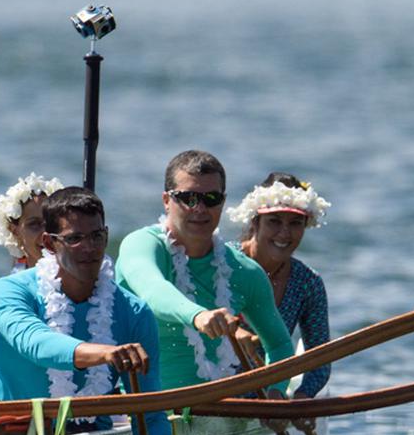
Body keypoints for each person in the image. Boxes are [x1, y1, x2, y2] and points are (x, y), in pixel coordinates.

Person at [0, 186, 173, 435]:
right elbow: (34, 342)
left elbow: (149, 413)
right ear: (50, 243)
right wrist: (102, 353)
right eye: (75, 239)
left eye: (97, 236)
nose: (90, 248)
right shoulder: (6, 293)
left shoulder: (132, 312)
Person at [115, 150, 294, 390]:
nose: (199, 208)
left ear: (222, 201)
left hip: (216, 410)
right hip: (141, 408)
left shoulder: (244, 271)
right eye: (188, 198)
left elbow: (280, 345)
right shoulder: (141, 245)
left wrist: (276, 394)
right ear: (167, 201)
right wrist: (198, 316)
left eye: (211, 198)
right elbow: (152, 289)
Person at [226, 172, 332, 400]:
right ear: (255, 222)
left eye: (295, 223)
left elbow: (320, 360)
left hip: (270, 394)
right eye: (274, 221)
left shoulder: (308, 283)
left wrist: (303, 397)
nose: (285, 233)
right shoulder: (221, 262)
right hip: (209, 388)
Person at [0, 172, 65, 270]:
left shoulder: (87, 281)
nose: (46, 232)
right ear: (14, 231)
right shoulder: (9, 285)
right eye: (34, 224)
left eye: (51, 221)